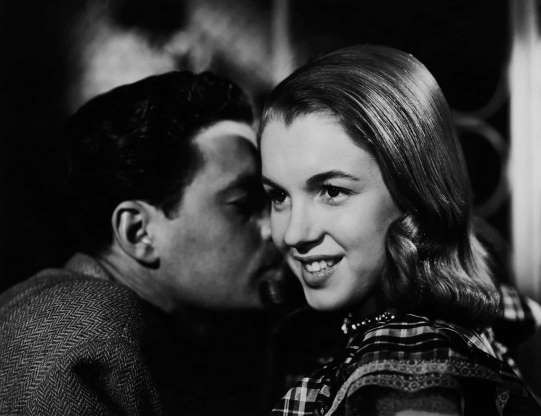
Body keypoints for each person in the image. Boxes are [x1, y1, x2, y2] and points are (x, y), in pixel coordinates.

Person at [259, 45, 541, 415]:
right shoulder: (490, 317)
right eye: (279, 196)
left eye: (332, 191)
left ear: (413, 192)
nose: (293, 234)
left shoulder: (408, 365)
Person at [0, 71, 281, 415]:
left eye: (273, 200)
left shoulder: (93, 320)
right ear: (139, 233)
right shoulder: (96, 338)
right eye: (243, 204)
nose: (277, 228)